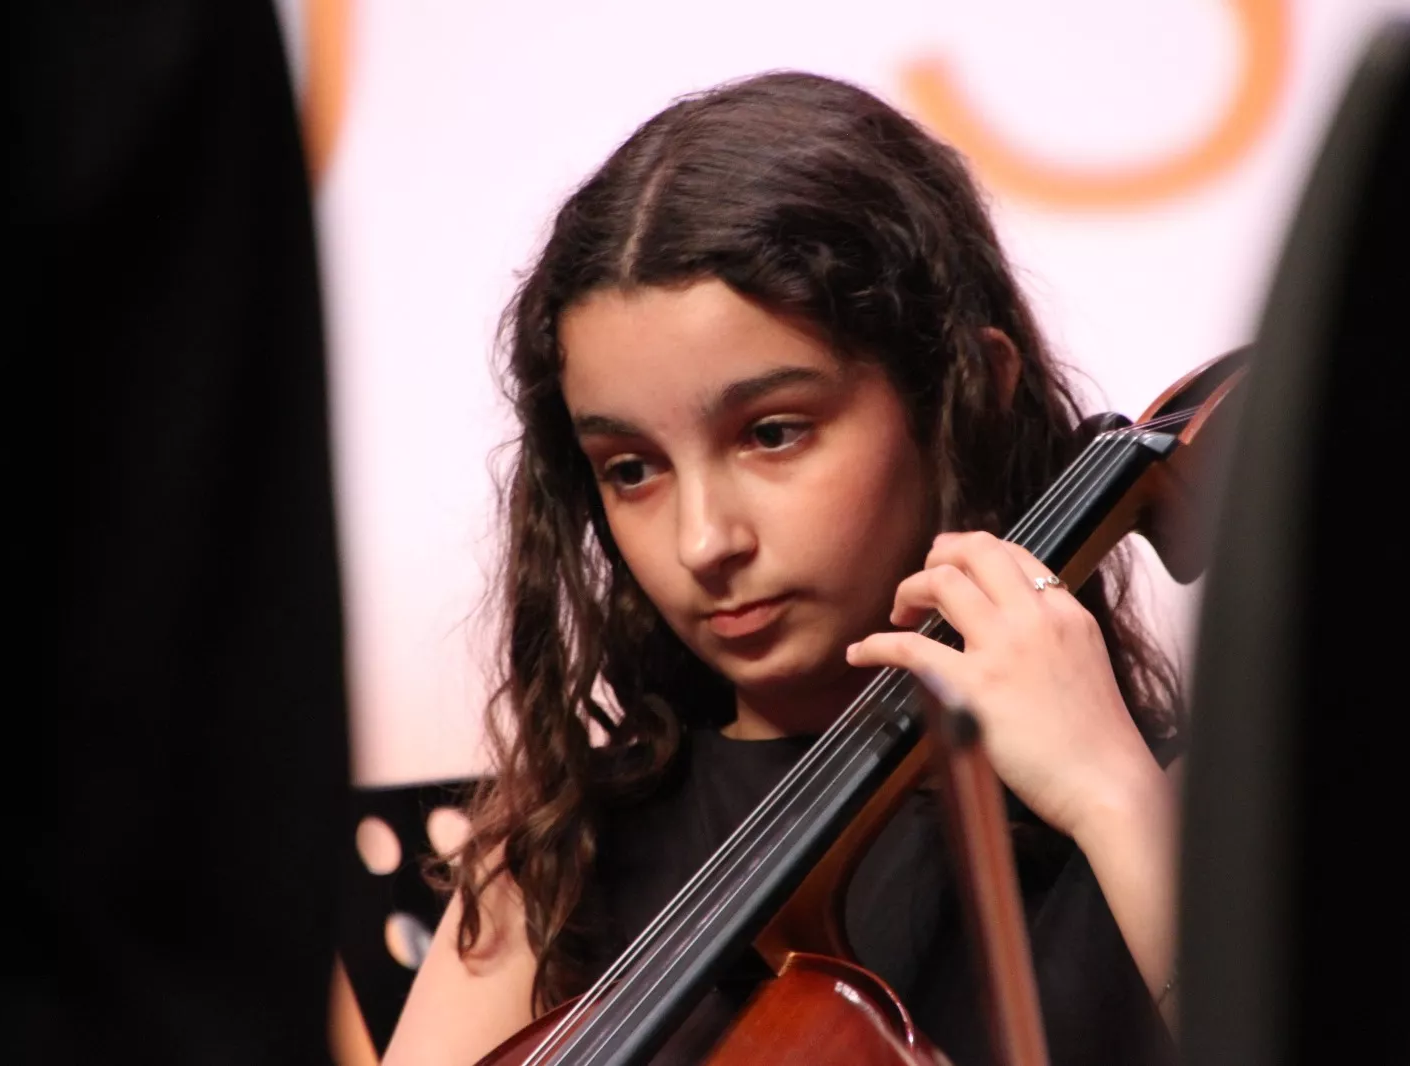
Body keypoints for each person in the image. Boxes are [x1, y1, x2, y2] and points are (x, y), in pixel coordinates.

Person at [384, 71, 1182, 1066]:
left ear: (969, 394)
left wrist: (1109, 793)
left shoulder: (1164, 806)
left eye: (772, 433)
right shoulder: (554, 858)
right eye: (630, 469)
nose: (703, 540)